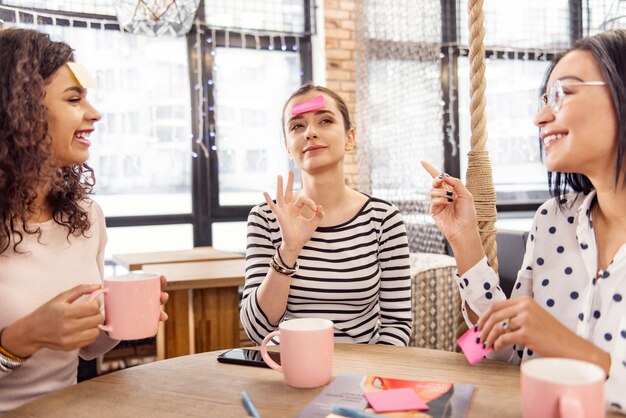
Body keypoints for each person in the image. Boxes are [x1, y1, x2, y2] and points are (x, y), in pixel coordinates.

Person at [422, 28, 626, 413]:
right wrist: (464, 237)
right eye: (544, 99)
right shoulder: (553, 220)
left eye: (562, 94)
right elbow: (505, 353)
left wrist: (564, 345)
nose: (540, 116)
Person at [0, 28, 168, 411]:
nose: (95, 114)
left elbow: (87, 350)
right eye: (74, 99)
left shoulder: (87, 217)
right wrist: (18, 340)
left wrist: (117, 322)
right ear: (19, 109)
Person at [240, 84, 412, 346]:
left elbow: (397, 324)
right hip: (286, 368)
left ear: (349, 138)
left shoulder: (384, 219)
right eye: (297, 126)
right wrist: (289, 249)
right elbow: (257, 329)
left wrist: (369, 379)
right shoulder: (266, 217)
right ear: (288, 147)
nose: (310, 132)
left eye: (325, 120)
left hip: (361, 376)